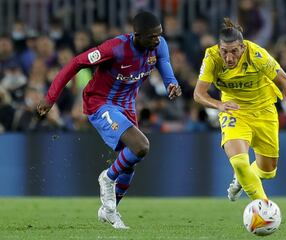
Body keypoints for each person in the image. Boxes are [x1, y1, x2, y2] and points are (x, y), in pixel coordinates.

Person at [37, 11, 182, 229]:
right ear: (137, 35)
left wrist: (171, 83)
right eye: (152, 36)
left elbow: (165, 62)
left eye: (159, 34)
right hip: (100, 103)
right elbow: (76, 63)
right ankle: (107, 177)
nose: (157, 39)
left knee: (130, 161)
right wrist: (51, 98)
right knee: (141, 146)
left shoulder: (158, 45)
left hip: (126, 107)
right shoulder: (115, 48)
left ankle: (109, 210)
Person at [193, 18, 286, 202]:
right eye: (224, 52)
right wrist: (219, 105)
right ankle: (264, 208)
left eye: (234, 51)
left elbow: (285, 81)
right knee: (239, 162)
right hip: (234, 110)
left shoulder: (257, 55)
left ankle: (241, 180)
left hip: (264, 109)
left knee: (268, 172)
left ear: (242, 48)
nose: (228, 57)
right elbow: (198, 93)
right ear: (219, 48)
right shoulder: (211, 57)